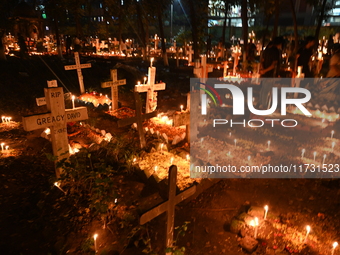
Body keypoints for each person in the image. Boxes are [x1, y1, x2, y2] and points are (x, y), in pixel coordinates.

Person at [258, 37, 283, 109]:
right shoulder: (276, 52)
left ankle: (261, 103)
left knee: (263, 89)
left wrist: (263, 70)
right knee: (266, 90)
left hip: (264, 73)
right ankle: (264, 105)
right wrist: (265, 70)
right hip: (271, 73)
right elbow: (273, 65)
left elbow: (262, 61)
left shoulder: (266, 50)